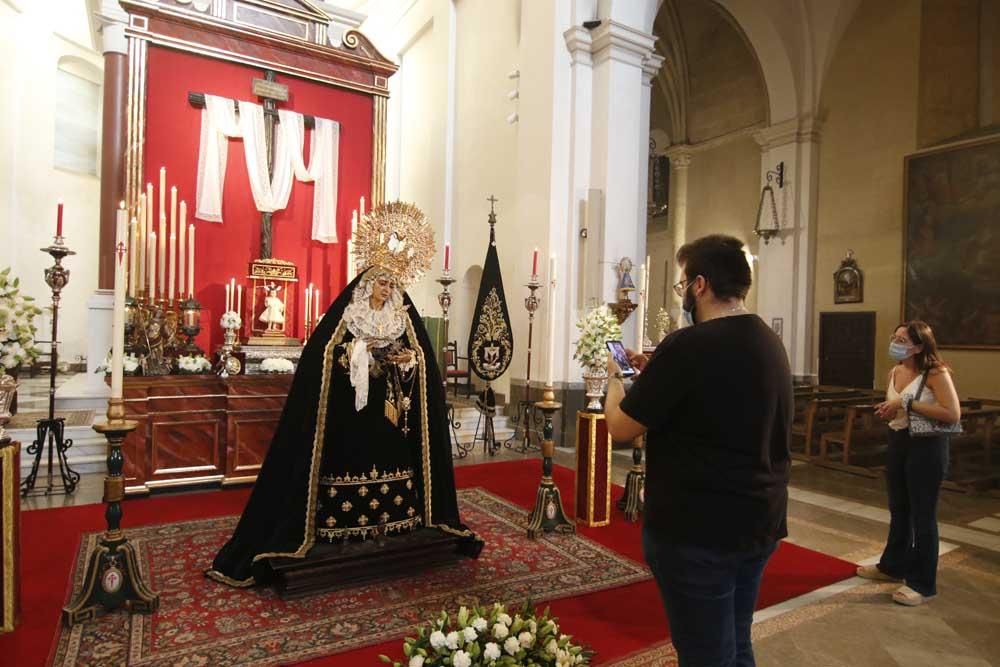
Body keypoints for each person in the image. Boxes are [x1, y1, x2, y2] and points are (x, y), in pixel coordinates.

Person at [208, 202, 479, 587]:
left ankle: (396, 520)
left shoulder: (403, 318)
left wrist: (408, 359)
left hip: (391, 417)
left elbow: (421, 360)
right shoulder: (348, 318)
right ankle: (339, 526)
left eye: (392, 284)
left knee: (392, 462)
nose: (387, 289)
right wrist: (359, 353)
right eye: (381, 283)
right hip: (350, 415)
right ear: (368, 283)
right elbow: (326, 356)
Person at [604, 234, 791, 667]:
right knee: (737, 640)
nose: (683, 292)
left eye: (682, 283)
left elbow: (620, 427)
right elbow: (716, 402)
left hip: (699, 530)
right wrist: (656, 377)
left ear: (700, 284)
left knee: (705, 654)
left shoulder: (689, 345)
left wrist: (615, 377)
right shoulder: (767, 340)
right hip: (759, 518)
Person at [857, 321, 960, 606]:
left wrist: (907, 404)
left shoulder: (936, 373)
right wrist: (888, 411)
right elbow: (897, 411)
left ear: (919, 345)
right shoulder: (896, 370)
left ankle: (922, 583)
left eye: (902, 338)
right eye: (895, 336)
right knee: (899, 508)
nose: (895, 341)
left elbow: (952, 413)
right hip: (900, 441)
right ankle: (893, 565)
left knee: (922, 514)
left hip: (927, 446)